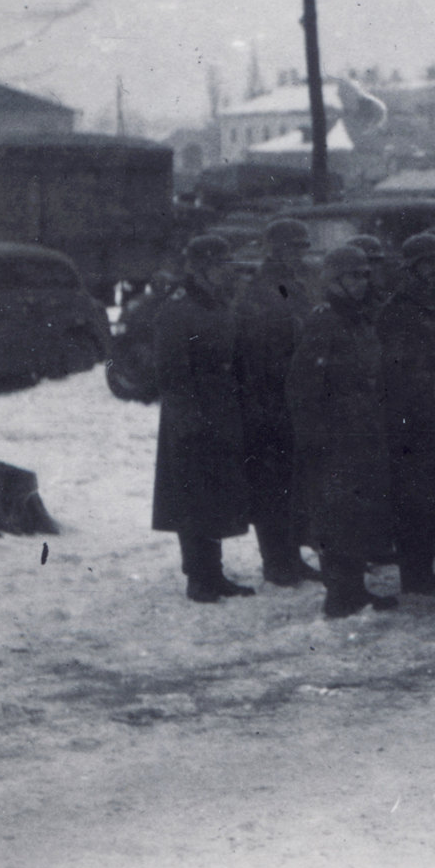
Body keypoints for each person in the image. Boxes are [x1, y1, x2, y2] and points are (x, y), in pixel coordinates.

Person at [287, 245, 399, 619]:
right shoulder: (325, 323)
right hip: (336, 437)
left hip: (362, 431)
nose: (363, 282)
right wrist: (316, 439)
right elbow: (304, 388)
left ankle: (353, 589)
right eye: (355, 276)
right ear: (335, 281)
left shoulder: (358, 319)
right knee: (336, 516)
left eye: (366, 275)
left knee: (357, 514)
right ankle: (339, 595)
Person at [151, 235, 256, 602]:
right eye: (223, 265)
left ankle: (214, 573)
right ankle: (198, 577)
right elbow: (171, 374)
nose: (230, 272)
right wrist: (191, 423)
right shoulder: (177, 310)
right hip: (193, 418)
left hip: (222, 413)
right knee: (193, 499)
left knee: (215, 496)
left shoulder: (217, 304)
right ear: (203, 269)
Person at [233, 217, 321, 585]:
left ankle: (291, 555)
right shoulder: (257, 292)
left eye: (301, 249)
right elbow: (255, 352)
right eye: (293, 249)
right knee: (271, 487)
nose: (299, 256)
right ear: (275, 250)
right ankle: (276, 562)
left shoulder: (294, 287)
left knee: (292, 482)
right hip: (266, 402)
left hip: (292, 400)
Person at [376, 232, 435, 597]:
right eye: (426, 264)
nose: (433, 270)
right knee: (413, 498)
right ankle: (415, 573)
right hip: (412, 417)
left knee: (431, 494)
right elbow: (397, 369)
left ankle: (423, 568)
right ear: (411, 268)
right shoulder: (398, 309)